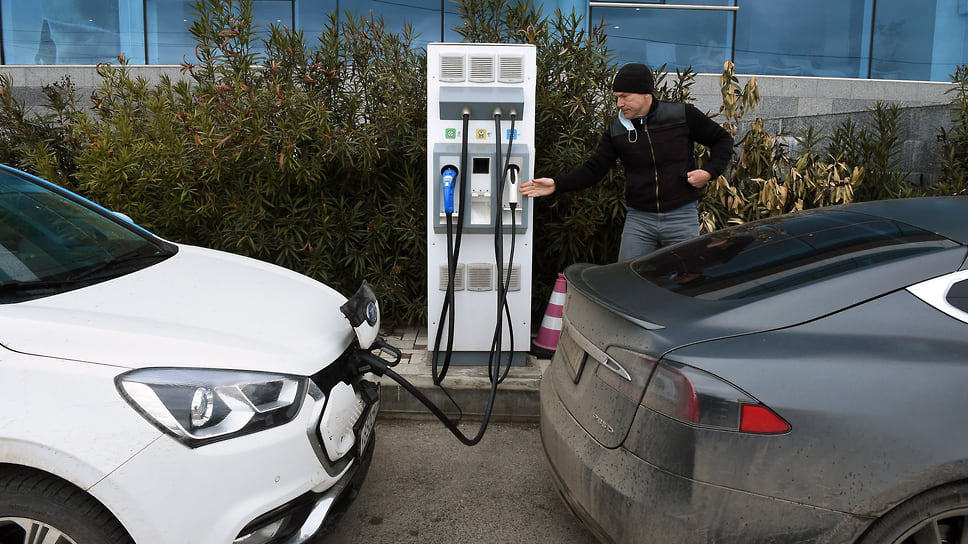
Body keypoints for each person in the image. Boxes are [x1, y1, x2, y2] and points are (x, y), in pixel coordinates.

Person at [520, 63, 734, 261]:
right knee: (627, 280)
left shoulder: (682, 115)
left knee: (687, 279)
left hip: (681, 216)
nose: (619, 103)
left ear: (645, 93)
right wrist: (556, 184)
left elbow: (723, 139)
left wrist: (709, 172)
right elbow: (594, 169)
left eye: (624, 96)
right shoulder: (617, 129)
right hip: (639, 220)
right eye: (617, 97)